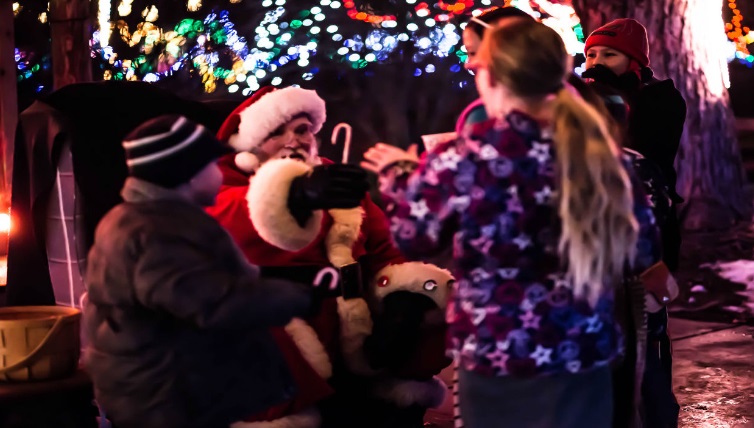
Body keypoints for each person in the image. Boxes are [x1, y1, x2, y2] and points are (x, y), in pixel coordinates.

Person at [380, 19, 662, 427]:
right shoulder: (601, 153)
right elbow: (643, 248)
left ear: (492, 77)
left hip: (497, 352)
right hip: (582, 349)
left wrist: (396, 180)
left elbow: (413, 237)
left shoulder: (466, 156)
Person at [207, 86, 452, 428]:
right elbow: (236, 217)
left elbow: (386, 249)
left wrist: (406, 297)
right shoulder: (224, 185)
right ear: (249, 146)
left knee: (424, 301)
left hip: (351, 332)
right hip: (284, 336)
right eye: (277, 132)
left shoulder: (332, 179)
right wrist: (295, 195)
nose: (294, 140)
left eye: (303, 129)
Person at [83, 115, 313, 428]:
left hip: (164, 390)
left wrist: (285, 280)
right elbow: (212, 303)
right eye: (211, 164)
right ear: (188, 174)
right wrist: (301, 296)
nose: (219, 171)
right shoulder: (157, 232)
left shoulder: (144, 219)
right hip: (166, 398)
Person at [361, 6, 534, 175]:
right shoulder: (553, 111)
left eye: (474, 52)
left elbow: (475, 188)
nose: (469, 63)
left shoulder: (486, 116)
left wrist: (412, 173)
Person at [582, 18, 686, 272]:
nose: (597, 63)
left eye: (609, 55)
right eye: (591, 55)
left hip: (645, 215)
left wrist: (613, 98)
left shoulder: (661, 97)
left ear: (634, 61)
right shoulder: (583, 98)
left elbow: (645, 152)